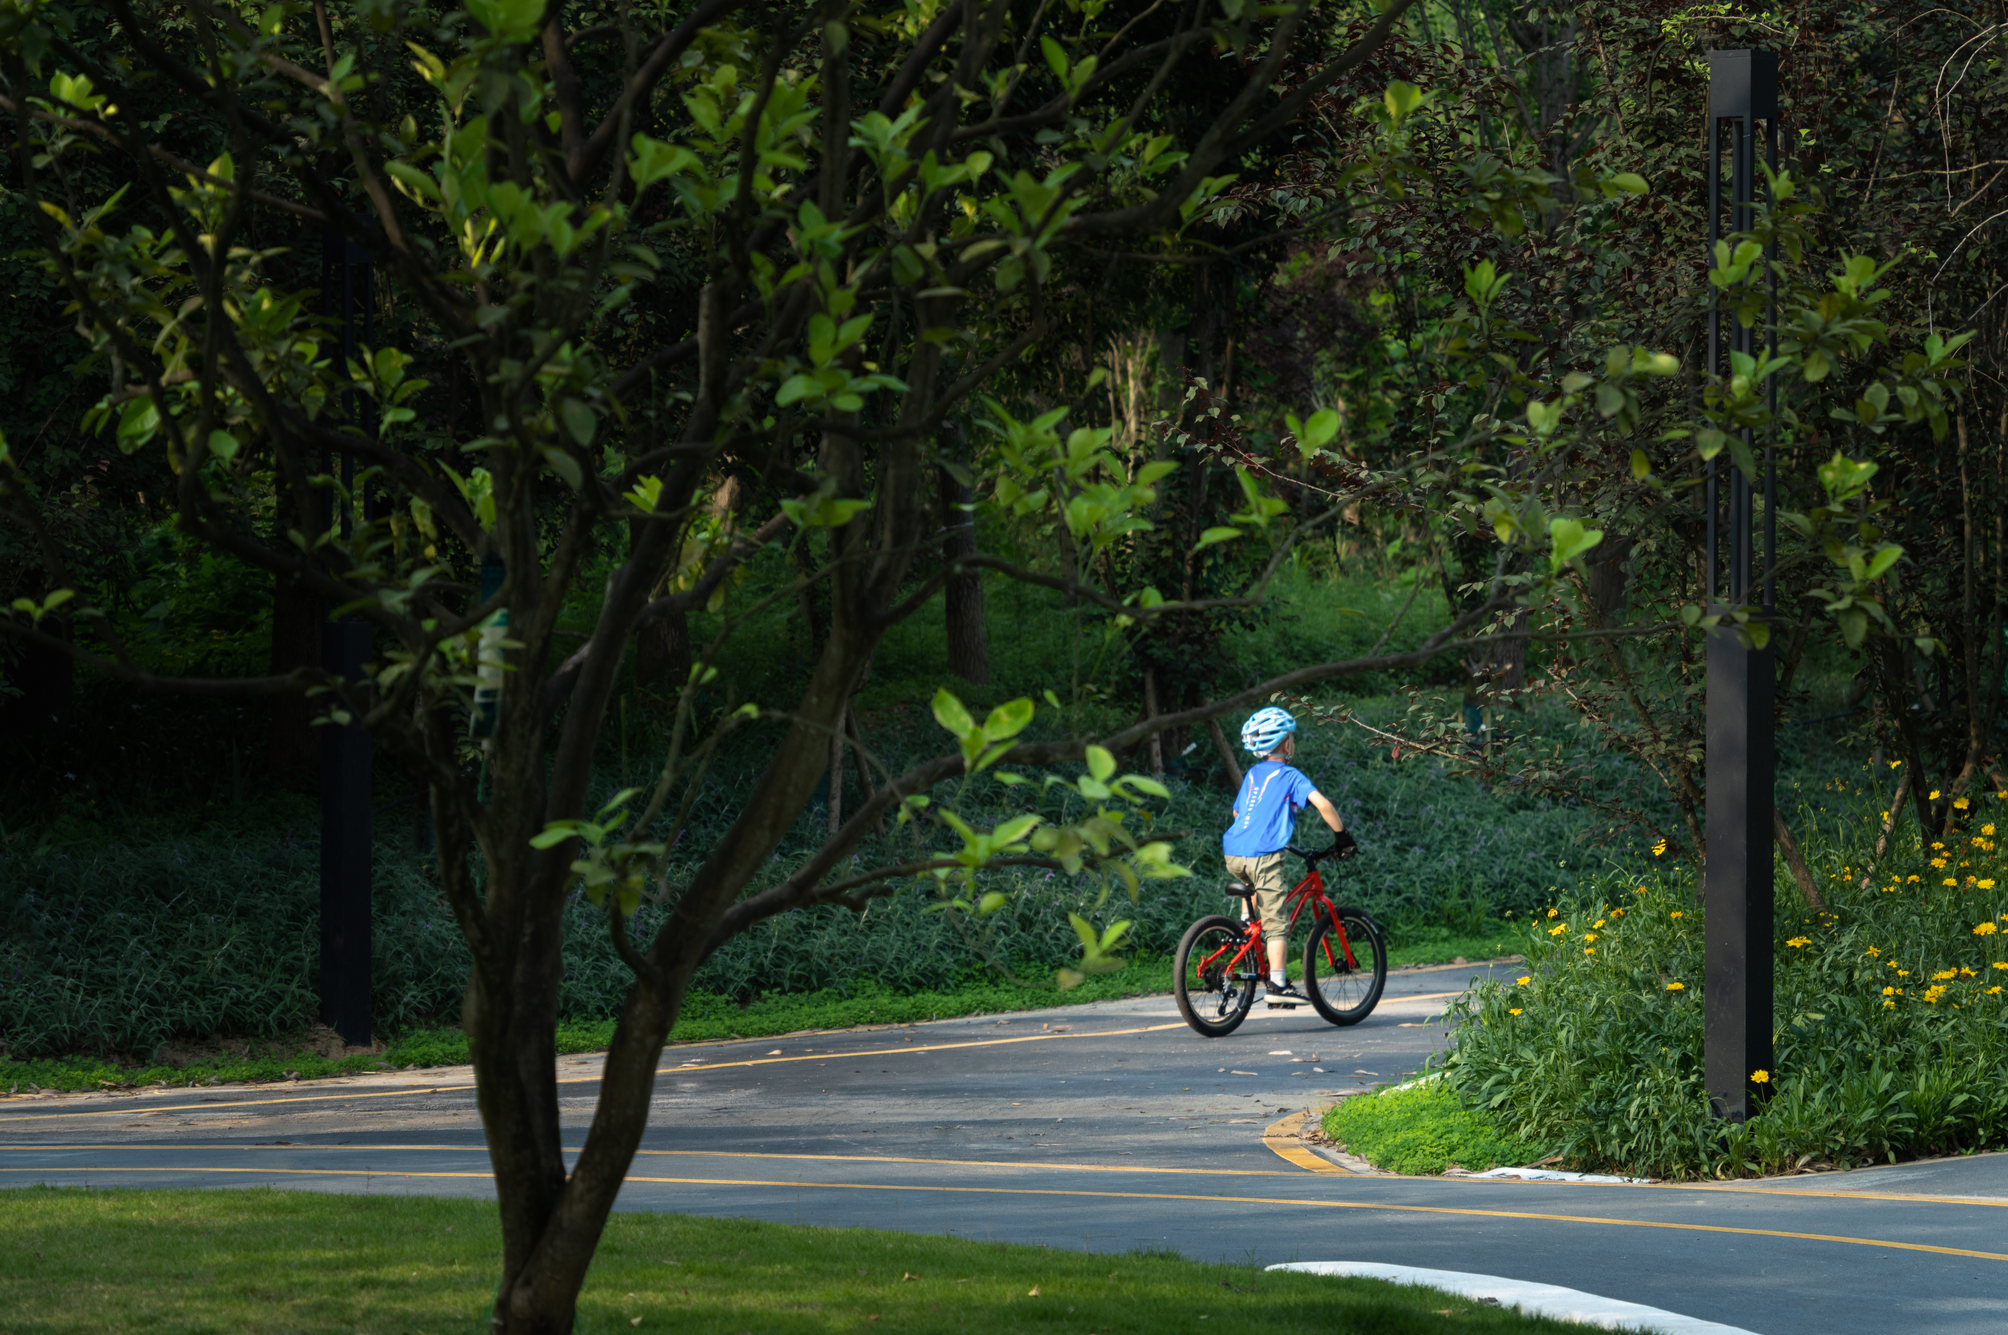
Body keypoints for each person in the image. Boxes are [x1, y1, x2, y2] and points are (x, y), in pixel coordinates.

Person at [1222, 706, 1353, 1007]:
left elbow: (1238, 812)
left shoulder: (1254, 774)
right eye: (1291, 737)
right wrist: (1342, 837)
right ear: (1284, 743)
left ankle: (1244, 926)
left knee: (1253, 890)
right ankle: (1278, 984)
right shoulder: (1290, 775)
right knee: (1277, 922)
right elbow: (1323, 805)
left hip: (1233, 851)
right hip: (1263, 856)